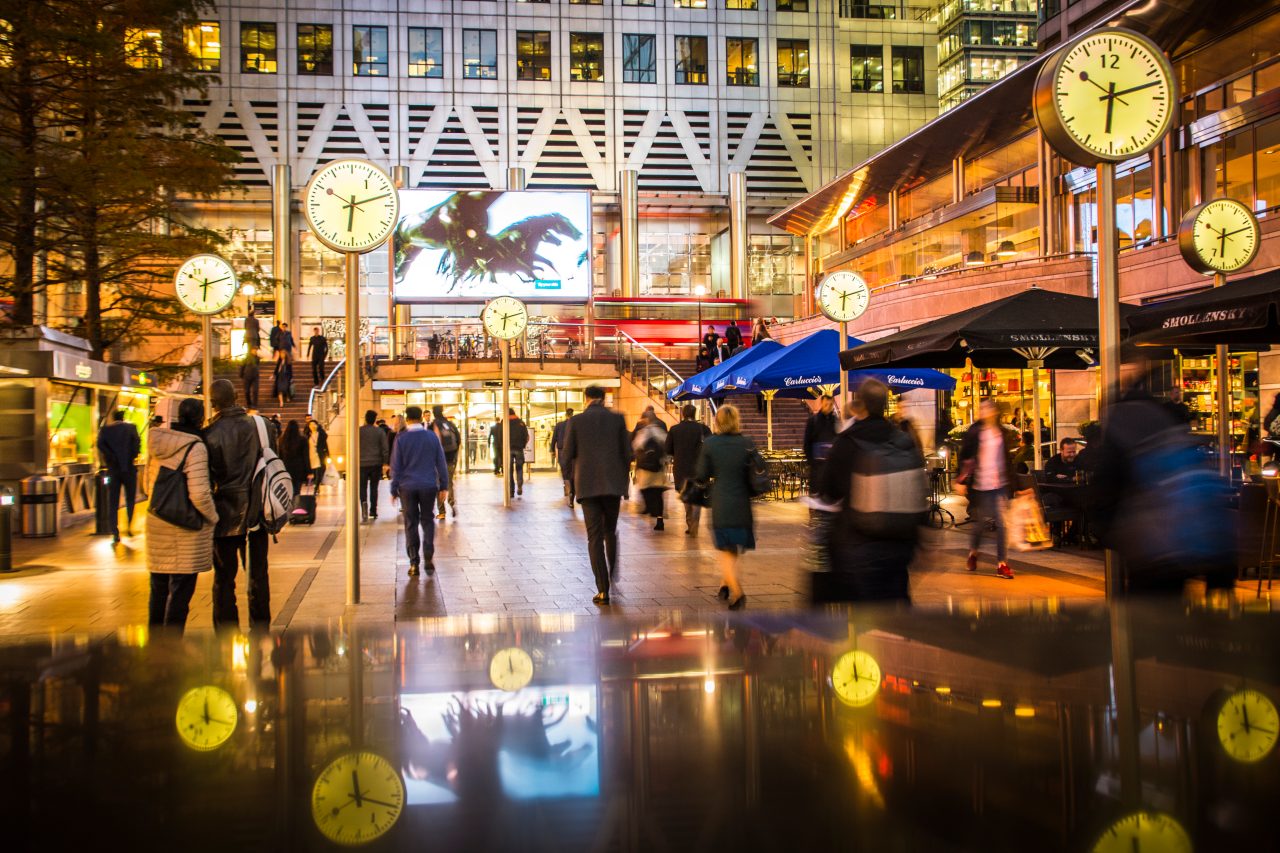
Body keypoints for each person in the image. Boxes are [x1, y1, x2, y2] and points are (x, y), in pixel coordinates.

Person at [1091, 377, 1234, 594]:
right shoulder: (1173, 433)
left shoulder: (1121, 434)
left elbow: (1104, 493)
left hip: (1152, 549)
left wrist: (1108, 534)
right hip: (1197, 545)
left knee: (1150, 612)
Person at [818, 379, 923, 602]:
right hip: (899, 544)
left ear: (861, 405)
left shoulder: (847, 441)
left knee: (864, 618)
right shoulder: (902, 440)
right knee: (896, 605)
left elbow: (829, 490)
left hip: (859, 544)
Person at [144, 398, 218, 633]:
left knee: (158, 589)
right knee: (180, 592)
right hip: (184, 528)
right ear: (200, 418)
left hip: (157, 522)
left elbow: (148, 485)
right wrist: (213, 517)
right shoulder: (195, 447)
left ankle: (156, 643)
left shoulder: (158, 442)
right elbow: (199, 494)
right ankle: (172, 646)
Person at [204, 379, 274, 628]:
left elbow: (207, 478)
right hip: (258, 508)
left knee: (224, 577)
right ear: (235, 396)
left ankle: (225, 630)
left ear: (213, 403)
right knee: (258, 573)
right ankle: (261, 625)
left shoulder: (209, 434)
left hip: (224, 511)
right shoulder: (262, 426)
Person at [563, 385, 631, 605]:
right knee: (610, 530)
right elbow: (627, 454)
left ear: (587, 399)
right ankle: (612, 571)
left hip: (588, 487)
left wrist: (570, 481)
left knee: (594, 538)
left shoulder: (576, 422)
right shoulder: (618, 419)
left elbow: (567, 455)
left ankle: (603, 590)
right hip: (613, 487)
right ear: (603, 399)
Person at [694, 404, 755, 610]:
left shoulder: (711, 444)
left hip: (721, 501)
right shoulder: (747, 443)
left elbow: (701, 475)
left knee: (724, 547)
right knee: (733, 546)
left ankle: (737, 592)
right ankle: (724, 582)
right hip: (742, 501)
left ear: (717, 422)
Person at [956, 398, 1016, 580]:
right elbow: (964, 456)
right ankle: (973, 553)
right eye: (982, 409)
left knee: (1002, 524)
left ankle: (1002, 563)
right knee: (980, 524)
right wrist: (960, 480)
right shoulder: (975, 432)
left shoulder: (1002, 433)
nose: (984, 411)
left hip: (999, 485)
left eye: (987, 408)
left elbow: (1008, 461)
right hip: (980, 484)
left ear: (994, 411)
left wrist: (1017, 486)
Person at [390, 405, 450, 576]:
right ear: (421, 417)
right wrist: (444, 485)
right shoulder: (431, 437)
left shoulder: (401, 438)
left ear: (407, 418)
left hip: (407, 487)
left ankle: (414, 562)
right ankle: (428, 555)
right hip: (428, 485)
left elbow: (396, 466)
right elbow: (441, 462)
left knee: (411, 523)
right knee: (428, 520)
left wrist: (394, 489)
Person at [98, 410, 141, 543]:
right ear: (123, 417)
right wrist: (131, 457)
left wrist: (110, 458)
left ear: (113, 418)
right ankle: (129, 526)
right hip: (129, 469)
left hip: (113, 470)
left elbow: (100, 445)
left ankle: (115, 531)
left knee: (113, 501)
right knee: (130, 499)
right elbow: (137, 445)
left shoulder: (105, 430)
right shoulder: (131, 428)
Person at [667, 403, 710, 535]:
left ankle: (690, 522)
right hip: (700, 468)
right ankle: (694, 523)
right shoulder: (703, 429)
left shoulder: (674, 429)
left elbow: (668, 449)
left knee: (686, 497)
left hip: (681, 469)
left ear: (683, 414)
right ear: (695, 414)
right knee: (697, 495)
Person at [633, 411, 669, 530]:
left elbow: (636, 446)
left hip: (646, 469)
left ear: (646, 420)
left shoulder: (644, 432)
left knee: (645, 489)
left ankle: (650, 508)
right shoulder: (660, 431)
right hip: (659, 468)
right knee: (658, 494)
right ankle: (659, 519)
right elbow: (667, 447)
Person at [431, 404, 461, 519]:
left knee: (439, 484)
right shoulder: (450, 424)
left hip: (437, 461)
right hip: (450, 459)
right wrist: (454, 457)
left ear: (434, 413)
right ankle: (452, 503)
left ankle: (442, 511)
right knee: (449, 483)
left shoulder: (433, 425)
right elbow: (458, 440)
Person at [803, 395, 839, 492]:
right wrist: (811, 462)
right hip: (817, 465)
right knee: (817, 491)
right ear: (821, 403)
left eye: (831, 404)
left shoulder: (836, 421)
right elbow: (807, 443)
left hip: (831, 466)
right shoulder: (813, 421)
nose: (829, 406)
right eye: (826, 404)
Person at [359, 409, 390, 522]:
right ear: (374, 420)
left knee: (362, 486)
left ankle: (363, 506)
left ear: (366, 419)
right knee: (374, 487)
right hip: (376, 463)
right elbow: (385, 448)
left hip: (361, 463)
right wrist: (385, 462)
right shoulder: (379, 432)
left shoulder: (359, 431)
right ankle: (373, 510)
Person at [551, 407, 576, 507]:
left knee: (564, 469)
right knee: (572, 470)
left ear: (566, 415)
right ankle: (570, 488)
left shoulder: (559, 425)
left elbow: (554, 438)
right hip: (573, 451)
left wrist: (552, 449)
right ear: (572, 414)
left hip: (562, 451)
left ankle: (567, 487)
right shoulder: (575, 425)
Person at [278, 419, 310, 497]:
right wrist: (309, 471)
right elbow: (306, 456)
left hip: (286, 467)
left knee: (288, 489)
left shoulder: (282, 440)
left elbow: (280, 456)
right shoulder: (303, 440)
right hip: (299, 468)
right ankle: (296, 505)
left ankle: (289, 505)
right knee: (297, 489)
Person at [506, 408, 530, 497]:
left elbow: (501, 436)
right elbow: (527, 436)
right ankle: (519, 485)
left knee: (509, 470)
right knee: (519, 468)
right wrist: (523, 445)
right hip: (519, 449)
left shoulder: (505, 422)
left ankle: (511, 491)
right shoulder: (521, 422)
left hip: (508, 449)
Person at [305, 418, 329, 491]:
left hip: (319, 455)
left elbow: (325, 444)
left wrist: (327, 454)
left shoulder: (321, 434)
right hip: (311, 455)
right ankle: (315, 484)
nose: (313, 426)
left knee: (320, 471)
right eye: (311, 424)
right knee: (314, 472)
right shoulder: (307, 435)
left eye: (314, 424)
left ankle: (316, 486)